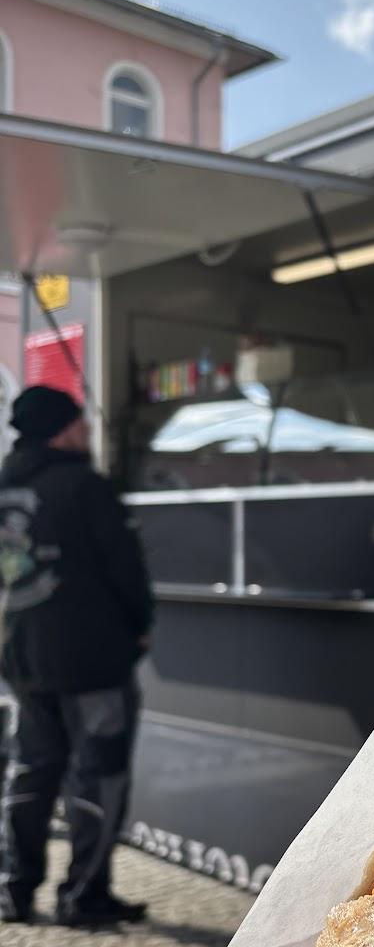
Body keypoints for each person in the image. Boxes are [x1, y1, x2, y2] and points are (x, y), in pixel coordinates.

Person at [0, 385, 153, 926]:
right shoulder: (85, 485)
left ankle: (13, 892)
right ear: (61, 430)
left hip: (22, 657)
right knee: (98, 776)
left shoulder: (4, 485)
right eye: (78, 422)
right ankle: (83, 897)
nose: (86, 429)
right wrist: (140, 628)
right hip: (93, 660)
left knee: (30, 771)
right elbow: (126, 568)